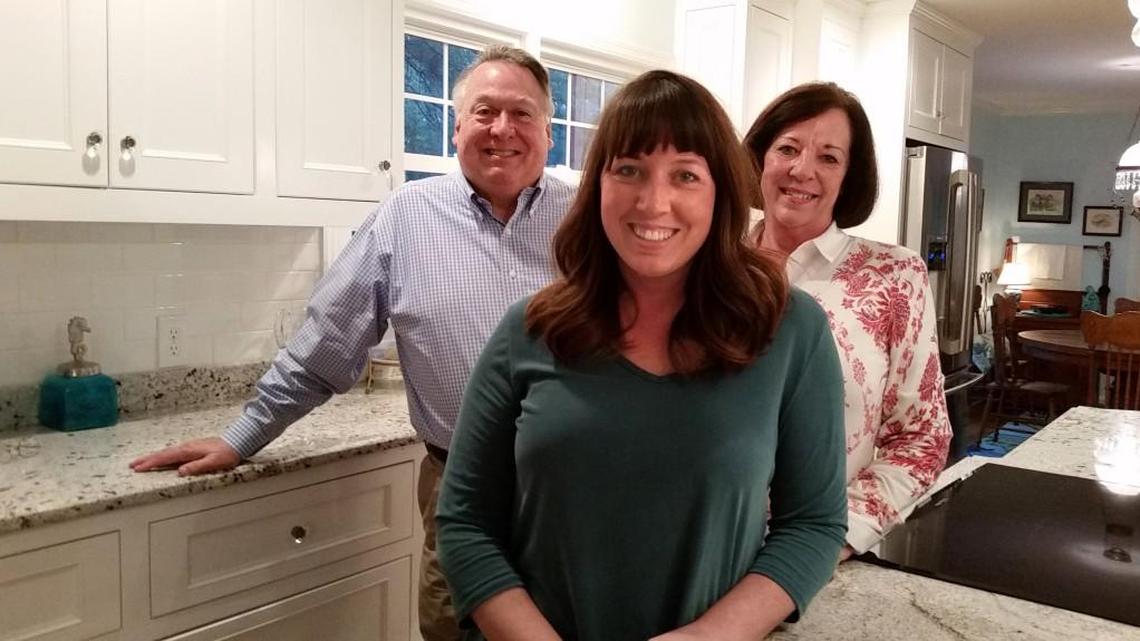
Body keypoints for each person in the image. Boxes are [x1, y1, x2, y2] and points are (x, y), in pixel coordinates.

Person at [129, 45, 575, 641]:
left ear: (548, 131)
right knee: (455, 629)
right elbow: (325, 346)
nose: (502, 129)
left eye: (522, 114)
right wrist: (242, 437)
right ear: (456, 128)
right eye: (484, 111)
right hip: (463, 490)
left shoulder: (589, 220)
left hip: (579, 490)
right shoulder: (403, 220)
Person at [436, 69, 847, 641]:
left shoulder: (789, 330)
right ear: (597, 185)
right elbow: (465, 524)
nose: (654, 202)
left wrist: (706, 637)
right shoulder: (529, 330)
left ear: (720, 193)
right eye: (629, 169)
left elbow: (813, 526)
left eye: (685, 175)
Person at [743, 82, 952, 560]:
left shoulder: (895, 276)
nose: (802, 170)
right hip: (701, 549)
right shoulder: (709, 267)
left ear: (848, 177)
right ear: (760, 158)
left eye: (829, 158)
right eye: (788, 149)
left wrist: (825, 542)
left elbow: (921, 440)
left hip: (819, 556)